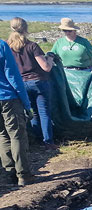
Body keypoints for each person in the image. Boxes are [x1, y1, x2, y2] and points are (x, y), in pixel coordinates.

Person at [8, 17, 57, 150]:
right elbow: (46, 67)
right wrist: (50, 58)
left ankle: (36, 138)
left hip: (21, 83)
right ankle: (48, 141)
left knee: (32, 113)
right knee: (44, 112)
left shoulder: (8, 47)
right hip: (38, 81)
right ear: (26, 28)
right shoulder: (32, 46)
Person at [51, 18, 92, 120]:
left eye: (69, 30)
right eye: (65, 31)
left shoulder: (83, 42)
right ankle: (73, 117)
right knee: (70, 97)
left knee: (89, 97)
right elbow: (52, 55)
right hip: (67, 74)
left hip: (85, 73)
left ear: (74, 30)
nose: (67, 33)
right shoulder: (59, 42)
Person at [0, 38, 33, 186]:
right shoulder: (2, 45)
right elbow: (12, 75)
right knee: (17, 135)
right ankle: (23, 174)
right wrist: (26, 104)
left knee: (2, 134)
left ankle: (9, 173)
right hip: (8, 97)